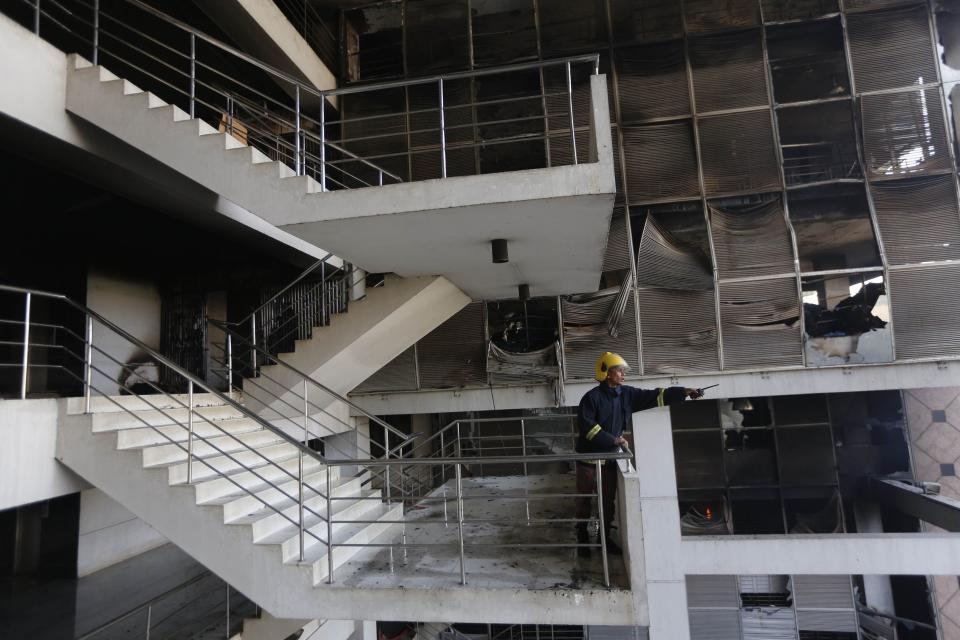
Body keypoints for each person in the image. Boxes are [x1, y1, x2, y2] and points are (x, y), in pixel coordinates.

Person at [575, 351, 703, 557]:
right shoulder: (591, 398)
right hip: (587, 462)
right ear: (607, 373)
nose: (623, 374)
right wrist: (614, 440)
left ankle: (604, 539)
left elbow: (655, 396)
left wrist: (684, 392)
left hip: (609, 461)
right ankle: (582, 539)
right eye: (619, 371)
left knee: (607, 502)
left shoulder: (627, 394)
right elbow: (587, 427)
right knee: (584, 500)